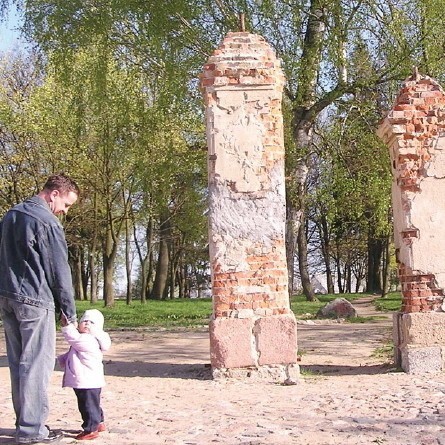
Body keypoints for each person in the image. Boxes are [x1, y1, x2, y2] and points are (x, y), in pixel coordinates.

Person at [0, 174, 80, 444]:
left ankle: (25, 422)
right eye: (66, 205)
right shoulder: (47, 222)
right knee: (36, 364)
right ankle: (32, 430)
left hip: (8, 298)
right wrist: (68, 312)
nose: (64, 211)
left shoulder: (10, 215)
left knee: (18, 363)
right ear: (54, 194)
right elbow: (59, 271)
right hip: (35, 300)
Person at [58, 309, 111, 441]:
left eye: (92, 322)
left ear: (98, 328)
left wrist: (67, 326)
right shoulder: (86, 340)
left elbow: (74, 339)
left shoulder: (89, 340)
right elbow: (74, 352)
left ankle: (90, 429)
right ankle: (99, 422)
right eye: (84, 321)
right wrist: (63, 359)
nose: (87, 324)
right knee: (93, 403)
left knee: (87, 405)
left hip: (86, 380)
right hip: (89, 380)